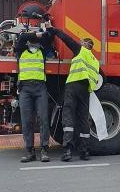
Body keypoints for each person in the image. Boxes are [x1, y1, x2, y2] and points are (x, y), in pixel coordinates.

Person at [47, 26, 100, 162]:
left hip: (73, 86)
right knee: (83, 120)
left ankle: (68, 150)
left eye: (82, 42)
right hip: (85, 90)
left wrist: (53, 30)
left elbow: (66, 39)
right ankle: (84, 151)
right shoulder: (94, 60)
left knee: (68, 116)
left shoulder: (80, 50)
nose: (80, 43)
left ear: (85, 45)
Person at [16, 30, 52, 163]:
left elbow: (49, 37)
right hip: (25, 89)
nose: (34, 43)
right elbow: (22, 37)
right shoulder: (20, 51)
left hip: (40, 88)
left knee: (44, 119)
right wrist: (34, 34)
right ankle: (30, 152)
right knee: (27, 122)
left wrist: (43, 33)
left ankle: (44, 150)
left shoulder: (42, 52)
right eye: (32, 40)